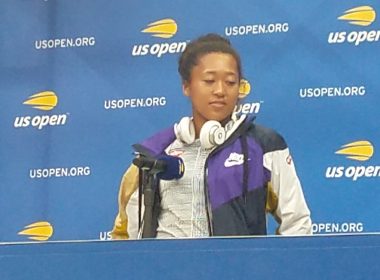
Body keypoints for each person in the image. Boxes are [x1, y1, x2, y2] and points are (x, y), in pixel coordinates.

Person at [111, 33, 312, 239]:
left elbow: (296, 224)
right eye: (209, 81)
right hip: (165, 270)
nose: (220, 91)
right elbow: (125, 236)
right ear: (186, 86)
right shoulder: (153, 154)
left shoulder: (265, 146)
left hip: (238, 270)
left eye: (231, 82)